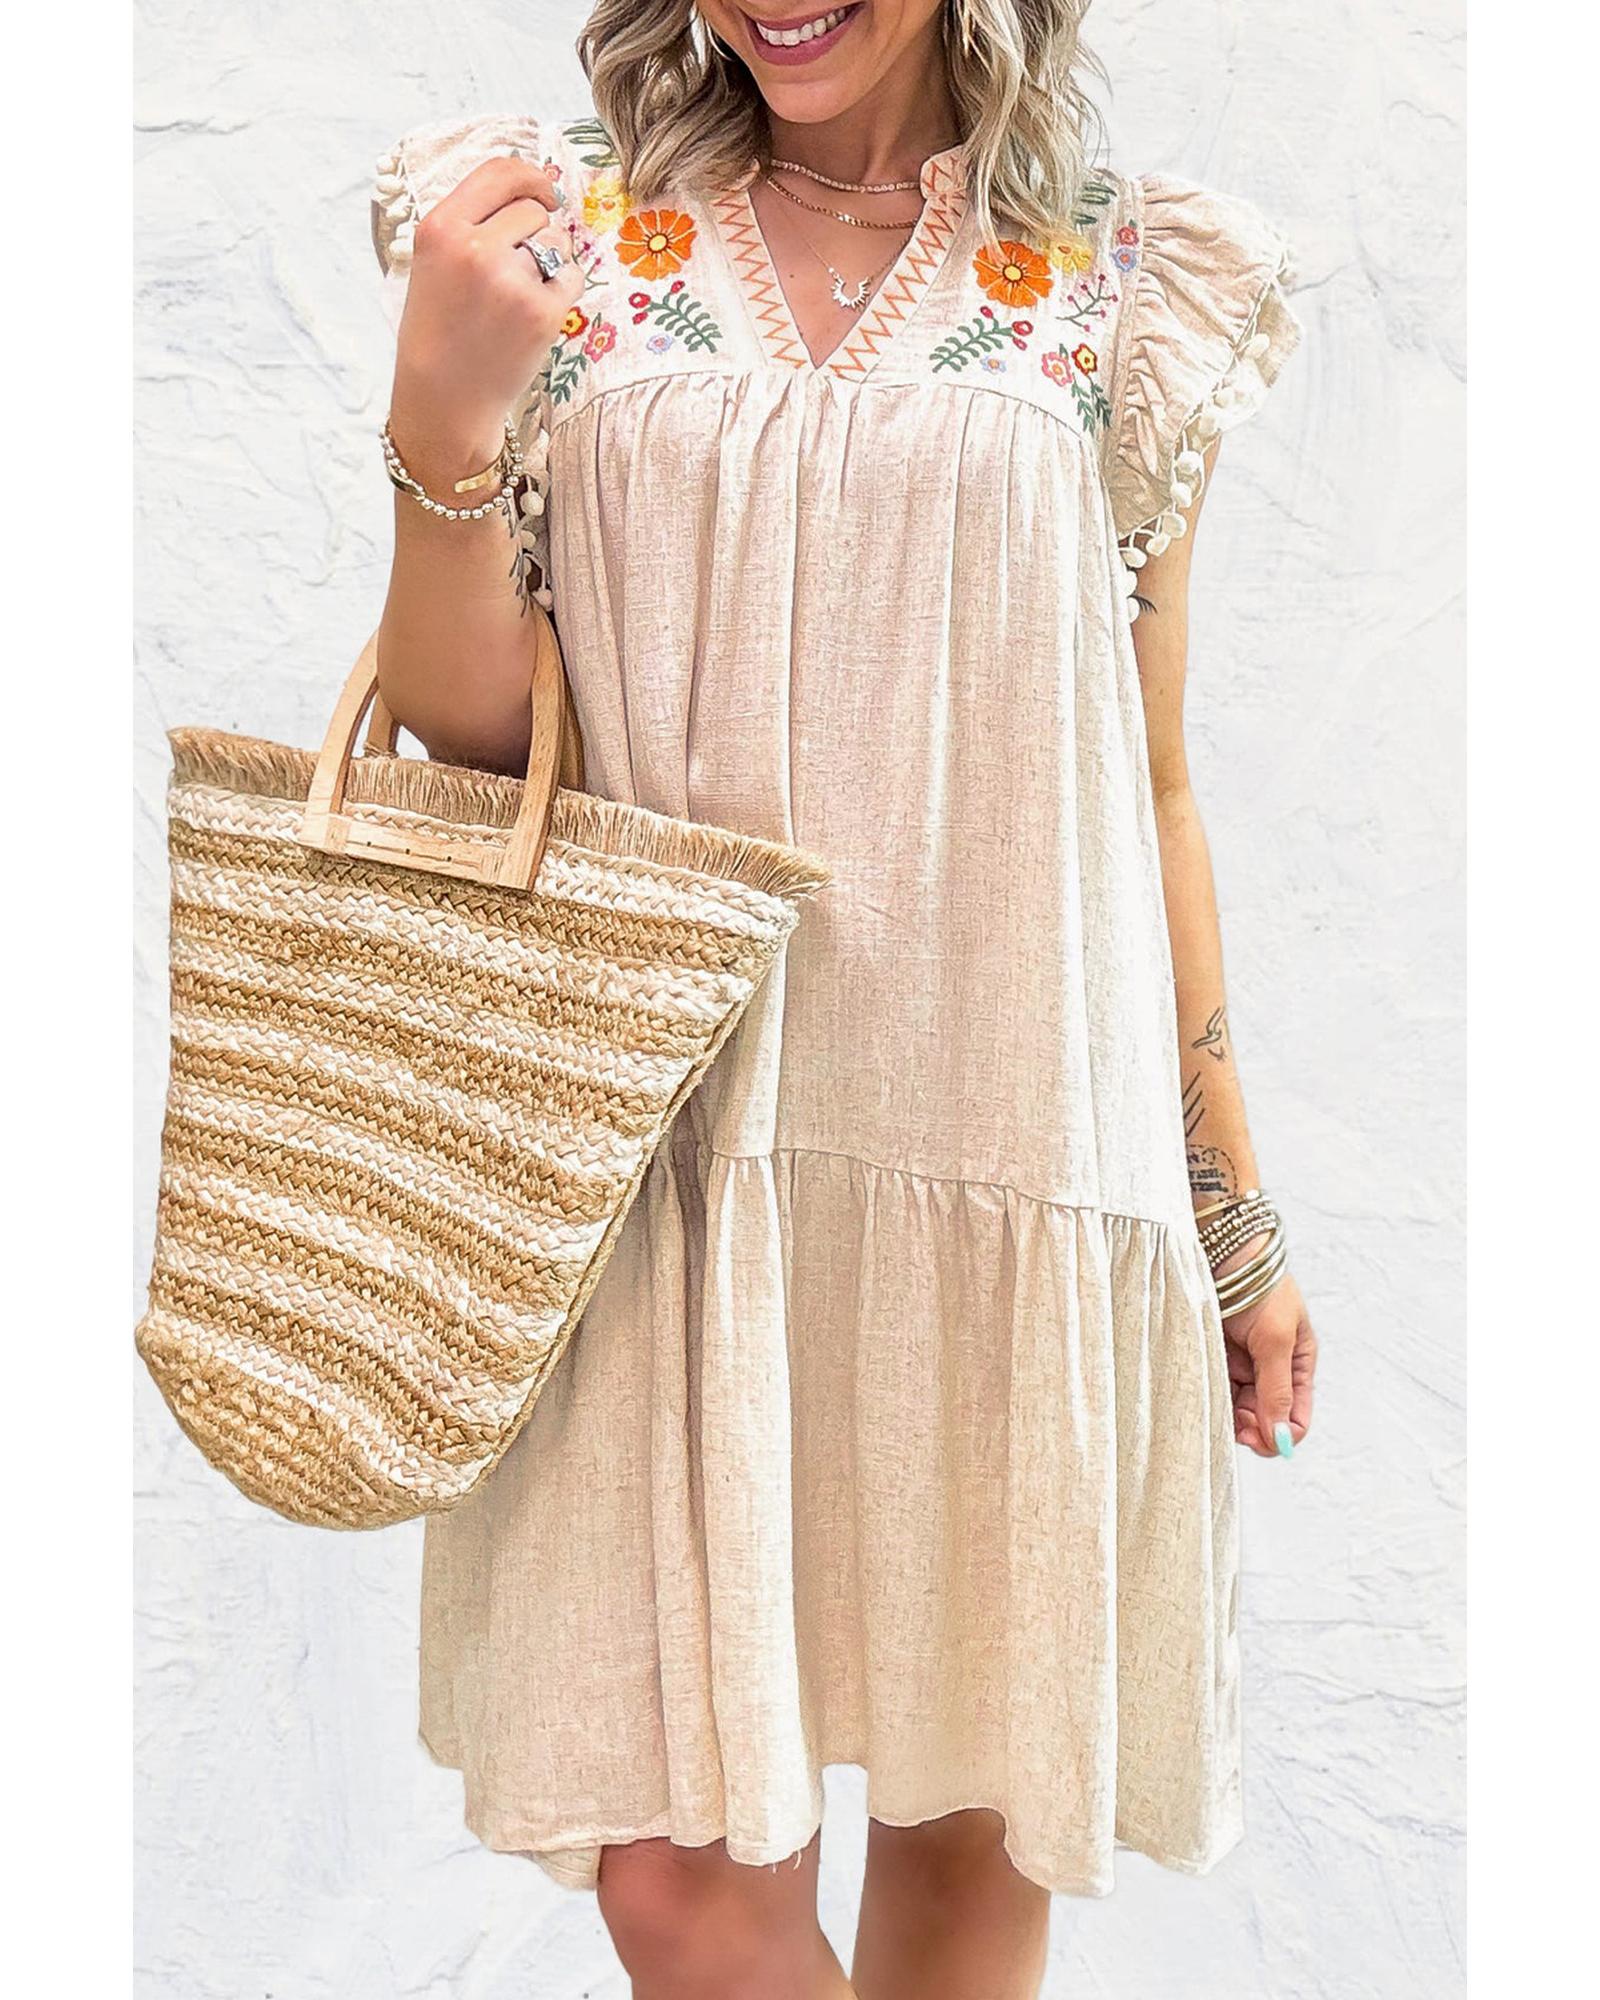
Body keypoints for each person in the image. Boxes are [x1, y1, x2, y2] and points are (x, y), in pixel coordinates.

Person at [368, 3, 1319, 1994]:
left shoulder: (1122, 288)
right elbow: (474, 744)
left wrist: (1228, 1214)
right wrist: (439, 433)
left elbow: (1144, 777)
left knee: (968, 1835)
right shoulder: (556, 235)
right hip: (662, 1178)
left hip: (1003, 1159)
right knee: (674, 1882)